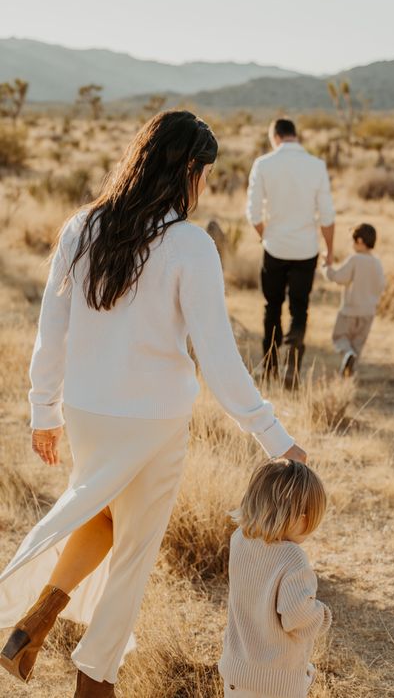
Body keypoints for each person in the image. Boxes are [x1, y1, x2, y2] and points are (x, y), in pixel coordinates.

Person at [0, 111, 306, 698]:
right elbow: (218, 358)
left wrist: (45, 411)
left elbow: (51, 330)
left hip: (89, 413)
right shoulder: (189, 245)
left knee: (100, 518)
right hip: (154, 421)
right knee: (134, 553)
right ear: (186, 170)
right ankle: (95, 682)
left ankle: (32, 626)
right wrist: (274, 437)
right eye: (207, 175)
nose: (205, 187)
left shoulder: (83, 227)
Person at [219, 459, 331, 698]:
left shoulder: (239, 539)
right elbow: (297, 617)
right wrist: (321, 615)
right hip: (275, 684)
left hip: (236, 673)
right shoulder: (292, 558)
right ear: (301, 519)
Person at [246, 118, 336, 386]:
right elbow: (327, 216)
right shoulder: (317, 166)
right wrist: (329, 252)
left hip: (274, 249)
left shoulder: (263, 164)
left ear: (275, 136)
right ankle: (292, 369)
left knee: (271, 308)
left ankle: (269, 367)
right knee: (300, 309)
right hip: (306, 251)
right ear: (295, 135)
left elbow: (252, 212)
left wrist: (266, 236)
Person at [325, 223, 385, 376]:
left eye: (353, 241)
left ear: (359, 241)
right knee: (358, 345)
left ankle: (347, 356)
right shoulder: (377, 263)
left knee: (340, 338)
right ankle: (348, 374)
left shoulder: (355, 259)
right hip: (368, 312)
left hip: (349, 310)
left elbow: (340, 278)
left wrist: (327, 269)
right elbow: (381, 286)